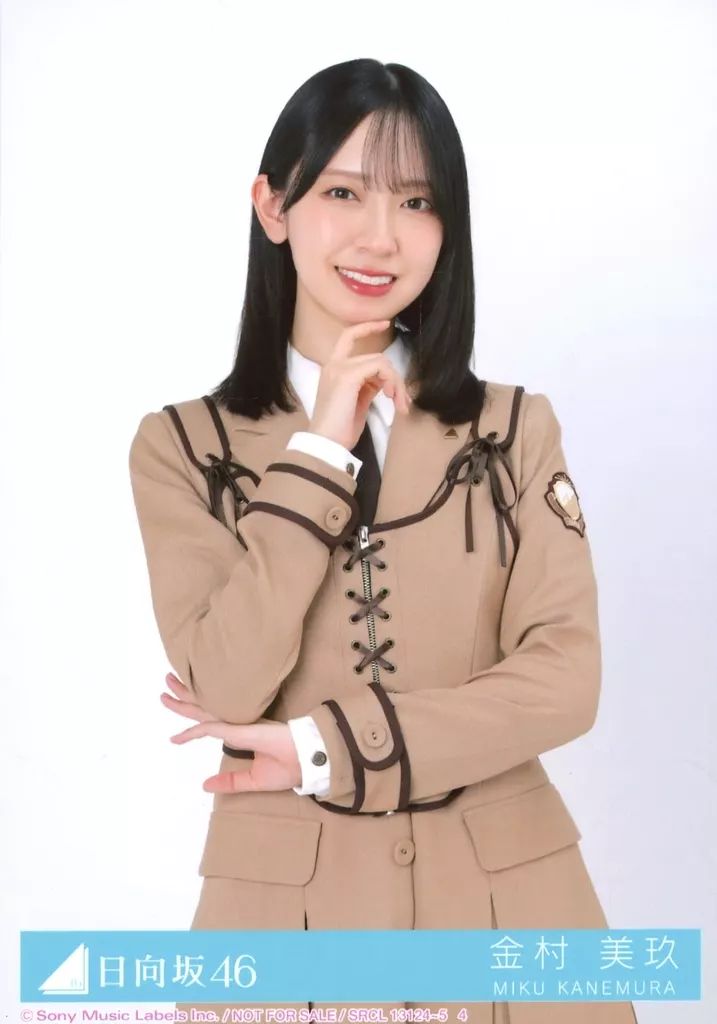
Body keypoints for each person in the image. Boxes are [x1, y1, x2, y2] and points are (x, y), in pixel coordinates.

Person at [128, 58, 637, 1024]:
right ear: (272, 207)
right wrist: (323, 444)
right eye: (342, 193)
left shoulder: (513, 430)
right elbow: (227, 682)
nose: (380, 236)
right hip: (283, 932)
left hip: (512, 911)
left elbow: (566, 679)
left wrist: (320, 748)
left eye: (416, 201)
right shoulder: (181, 447)